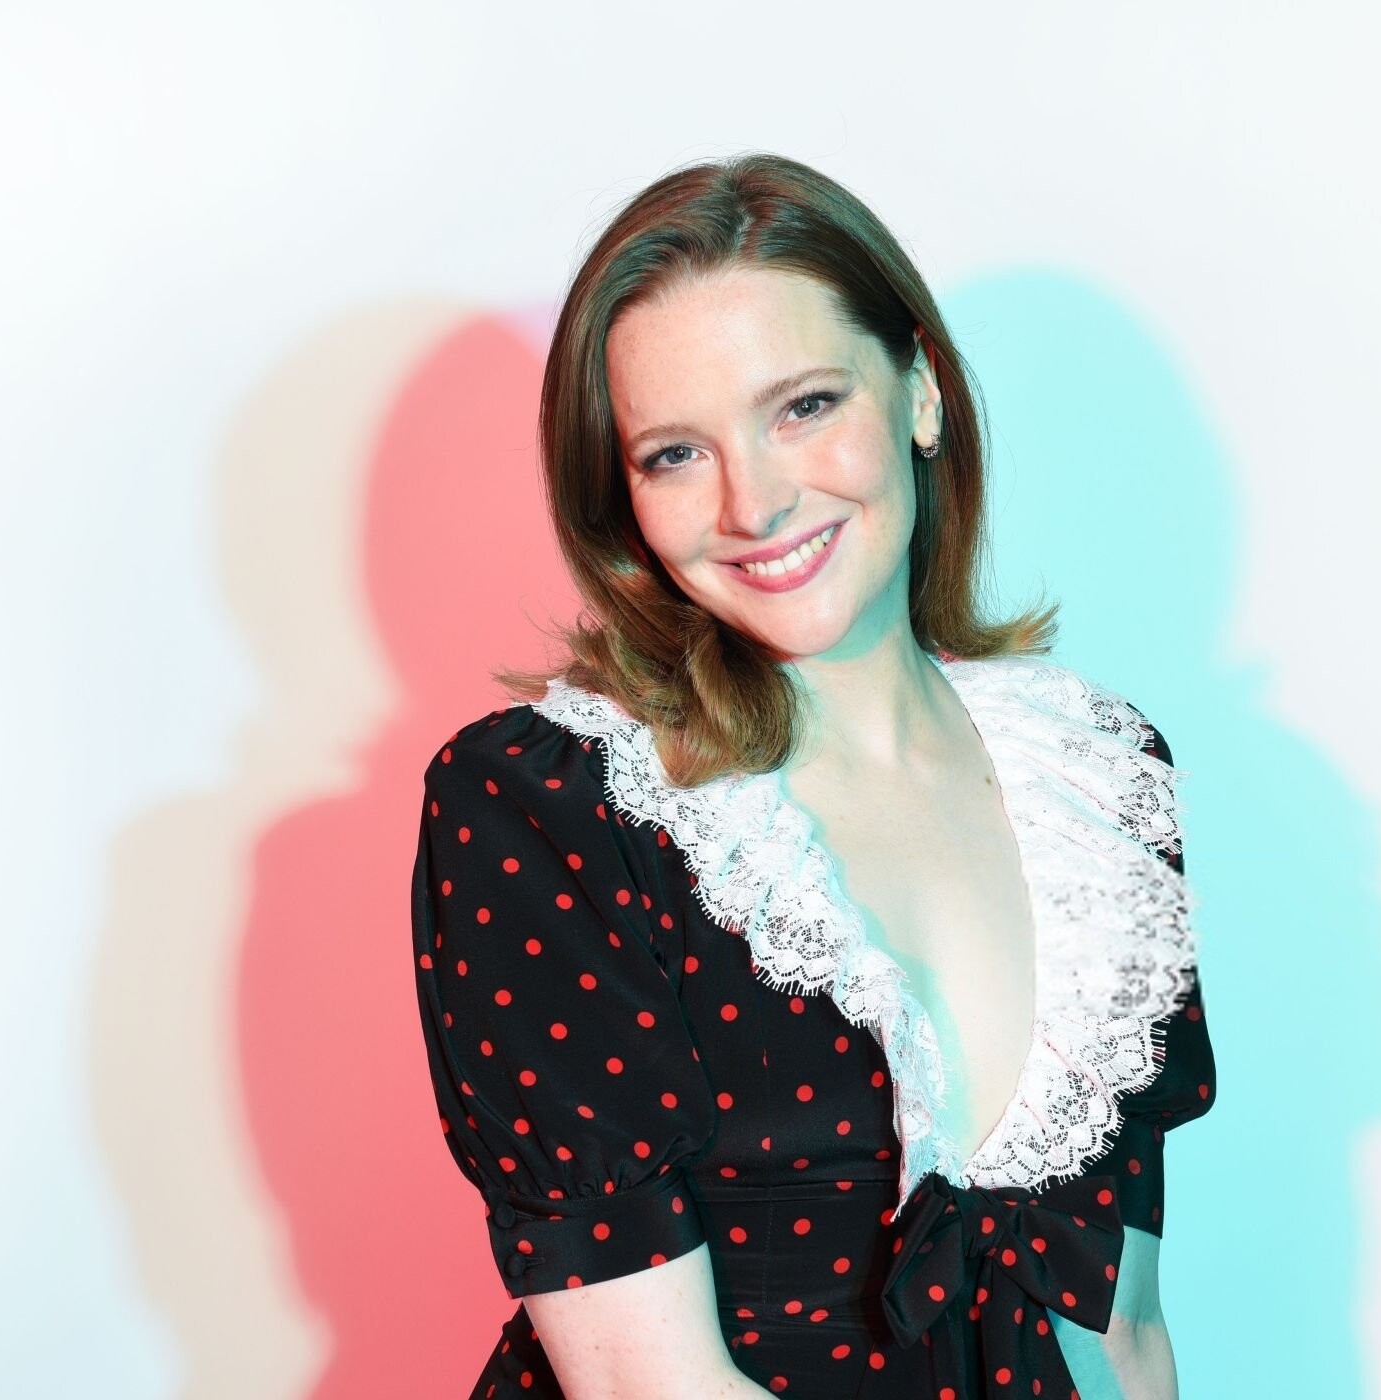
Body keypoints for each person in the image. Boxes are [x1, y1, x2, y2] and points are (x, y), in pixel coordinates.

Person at [410, 153, 1216, 1400]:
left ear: (920, 390)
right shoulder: (550, 807)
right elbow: (647, 1387)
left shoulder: (1097, 779)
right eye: (674, 453)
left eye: (801, 406)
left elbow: (1125, 1326)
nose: (755, 502)